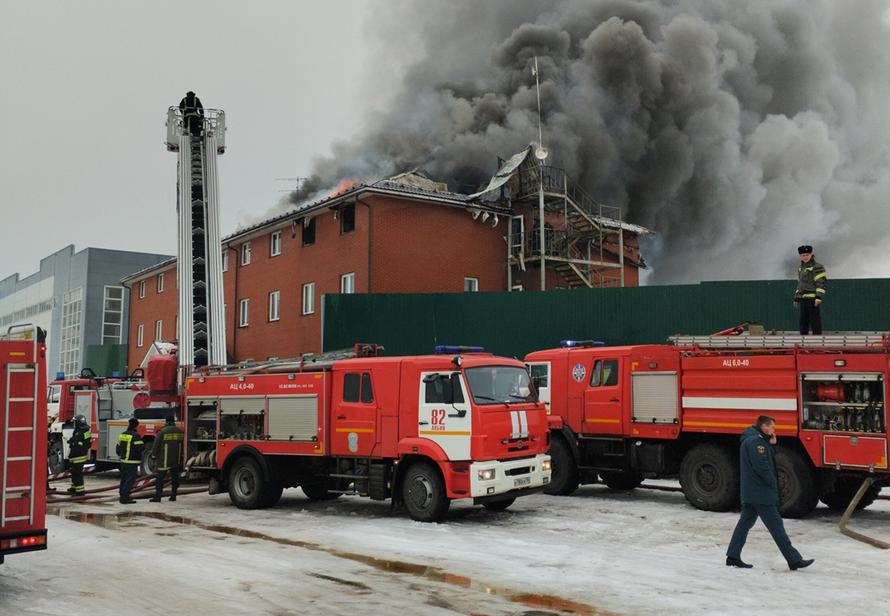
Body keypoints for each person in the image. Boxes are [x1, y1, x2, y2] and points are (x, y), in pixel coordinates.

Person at [726, 415, 814, 570]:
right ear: (764, 426)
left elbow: (765, 458)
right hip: (761, 493)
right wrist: (774, 484)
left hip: (752, 492)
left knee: (744, 524)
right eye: (772, 427)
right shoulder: (756, 442)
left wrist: (772, 445)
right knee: (776, 526)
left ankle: (733, 556)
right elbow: (762, 466)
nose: (774, 430)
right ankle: (794, 560)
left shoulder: (755, 440)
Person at [793, 245, 827, 335]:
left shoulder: (817, 267)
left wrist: (818, 297)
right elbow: (800, 284)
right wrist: (797, 298)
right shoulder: (801, 268)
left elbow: (821, 282)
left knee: (815, 321)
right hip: (803, 299)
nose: (805, 257)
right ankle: (803, 343)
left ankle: (817, 343)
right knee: (803, 322)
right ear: (800, 256)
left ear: (811, 255)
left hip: (813, 299)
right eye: (803, 255)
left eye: (807, 255)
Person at [150, 416, 183, 503]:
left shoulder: (162, 432)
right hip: (176, 459)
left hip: (164, 460)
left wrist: (153, 455)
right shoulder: (179, 431)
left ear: (166, 421)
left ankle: (158, 497)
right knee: (175, 478)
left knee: (160, 479)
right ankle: (173, 496)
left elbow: (156, 445)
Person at [116, 417, 144, 504]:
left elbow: (117, 449)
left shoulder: (122, 435)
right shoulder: (135, 436)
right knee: (129, 480)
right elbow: (141, 448)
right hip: (132, 462)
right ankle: (125, 498)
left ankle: (122, 494)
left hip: (123, 461)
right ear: (136, 426)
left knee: (123, 479)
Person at [66, 415, 92, 496]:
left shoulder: (83, 432)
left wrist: (75, 443)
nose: (74, 424)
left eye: (75, 422)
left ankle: (80, 491)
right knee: (74, 473)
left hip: (78, 457)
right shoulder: (79, 431)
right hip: (75, 456)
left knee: (77, 474)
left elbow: (87, 444)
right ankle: (74, 488)